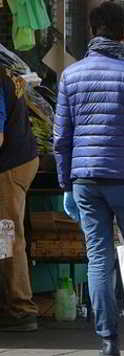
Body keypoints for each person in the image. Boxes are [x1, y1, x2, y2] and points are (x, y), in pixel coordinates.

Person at [53, 3, 124, 354]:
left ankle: (108, 339)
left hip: (86, 181)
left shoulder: (70, 76)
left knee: (99, 258)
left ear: (92, 31)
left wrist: (67, 185)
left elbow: (61, 138)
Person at [0, 68, 39, 332]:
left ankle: (20, 308)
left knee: (8, 236)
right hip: (20, 160)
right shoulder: (7, 73)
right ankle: (11, 303)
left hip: (9, 166)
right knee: (5, 236)